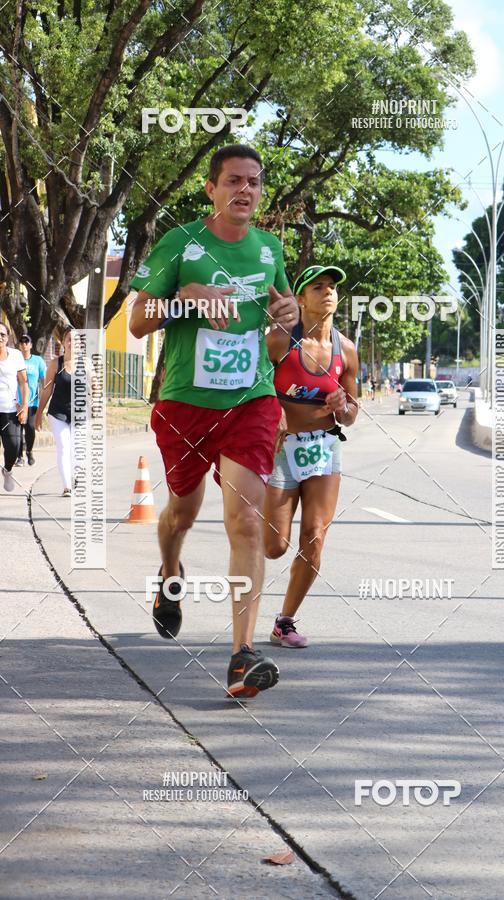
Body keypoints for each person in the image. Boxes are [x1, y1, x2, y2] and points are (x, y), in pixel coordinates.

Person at [128, 144, 299, 700]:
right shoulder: (181, 244)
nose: (244, 190)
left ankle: (241, 657)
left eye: (253, 182)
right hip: (184, 403)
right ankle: (169, 574)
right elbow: (134, 322)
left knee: (245, 522)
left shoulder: (270, 249)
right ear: (211, 188)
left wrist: (288, 321)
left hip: (249, 401)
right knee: (181, 510)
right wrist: (187, 295)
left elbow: (274, 345)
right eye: (232, 181)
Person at [263, 264, 359, 647]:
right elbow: (250, 389)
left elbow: (352, 413)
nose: (328, 293)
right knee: (274, 547)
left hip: (324, 450)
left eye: (332, 287)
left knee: (315, 537)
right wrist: (274, 409)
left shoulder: (345, 350)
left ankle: (284, 621)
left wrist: (341, 405)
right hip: (281, 451)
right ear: (301, 298)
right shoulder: (279, 341)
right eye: (317, 287)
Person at [35, 329, 73, 496]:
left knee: (78, 449)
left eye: (77, 340)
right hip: (58, 413)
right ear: (63, 343)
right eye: (69, 339)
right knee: (64, 447)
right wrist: (38, 414)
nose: (73, 343)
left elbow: (94, 388)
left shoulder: (86, 364)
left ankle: (76, 475)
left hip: (79, 414)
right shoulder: (55, 364)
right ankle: (67, 487)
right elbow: (47, 389)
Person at [0, 324, 29, 492]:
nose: (0, 337)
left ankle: (8, 470)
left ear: (8, 337)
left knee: (13, 446)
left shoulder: (16, 356)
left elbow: (24, 382)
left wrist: (24, 406)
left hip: (10, 410)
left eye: (2, 334)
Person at [15, 334, 46, 466]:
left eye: (26, 342)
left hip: (32, 402)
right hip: (16, 402)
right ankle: (19, 457)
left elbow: (45, 381)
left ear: (31, 345)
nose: (24, 344)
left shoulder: (38, 361)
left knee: (30, 428)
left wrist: (45, 397)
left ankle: (29, 451)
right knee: (16, 430)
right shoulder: (15, 360)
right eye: (21, 342)